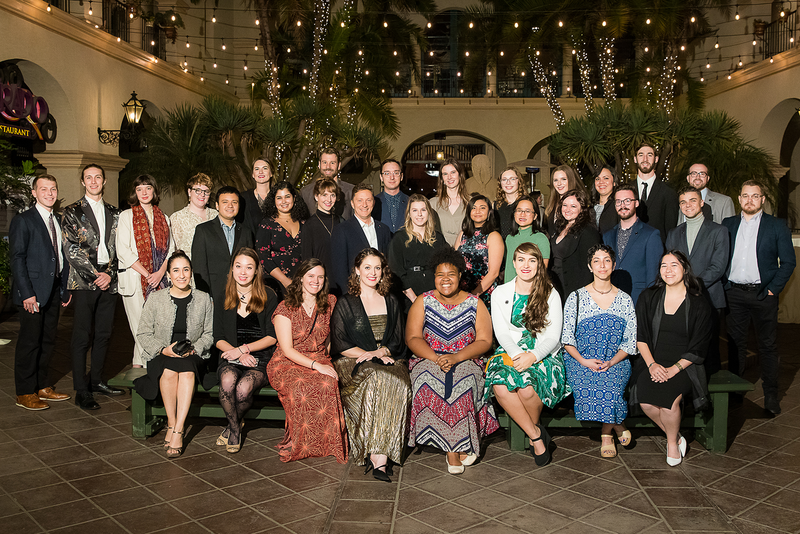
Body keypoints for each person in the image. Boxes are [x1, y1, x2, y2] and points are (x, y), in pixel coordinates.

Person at [406, 248, 499, 475]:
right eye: (440, 274)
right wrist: (436, 358)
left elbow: (485, 340)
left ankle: (456, 445)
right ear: (434, 277)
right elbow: (413, 337)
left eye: (451, 274)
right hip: (429, 356)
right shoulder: (423, 300)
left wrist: (456, 357)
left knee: (464, 384)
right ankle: (453, 449)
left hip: (467, 357)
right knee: (426, 381)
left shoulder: (475, 303)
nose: (445, 279)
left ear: (460, 276)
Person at [331, 249, 410, 482]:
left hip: (387, 358)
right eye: (367, 267)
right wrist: (371, 354)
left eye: (377, 268)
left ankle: (382, 451)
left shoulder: (392, 300)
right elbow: (340, 343)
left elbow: (397, 340)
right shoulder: (346, 303)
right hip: (353, 361)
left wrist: (382, 352)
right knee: (376, 378)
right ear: (357, 270)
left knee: (398, 381)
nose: (372, 273)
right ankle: (378, 457)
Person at [488, 243, 570, 466]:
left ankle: (529, 430)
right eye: (521, 260)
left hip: (543, 352)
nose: (526, 265)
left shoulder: (550, 293)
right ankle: (536, 436)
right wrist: (517, 355)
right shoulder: (500, 293)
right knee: (500, 384)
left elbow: (554, 335)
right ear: (513, 264)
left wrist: (533, 356)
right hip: (510, 350)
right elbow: (501, 332)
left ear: (539, 265)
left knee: (526, 388)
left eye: (532, 260)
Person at [632, 251, 713, 466]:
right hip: (651, 361)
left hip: (685, 365)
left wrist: (674, 369)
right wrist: (651, 365)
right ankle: (677, 436)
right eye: (664, 265)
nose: (668, 270)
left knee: (668, 403)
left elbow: (699, 346)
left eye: (674, 265)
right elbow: (640, 337)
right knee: (647, 402)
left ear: (685, 269)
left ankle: (670, 443)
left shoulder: (698, 303)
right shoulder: (648, 297)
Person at [723, 180, 796, 414]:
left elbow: (788, 262)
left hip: (763, 294)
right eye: (745, 196)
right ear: (739, 198)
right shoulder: (728, 224)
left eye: (755, 196)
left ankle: (771, 396)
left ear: (762, 199)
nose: (750, 200)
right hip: (733, 294)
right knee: (735, 346)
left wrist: (773, 288)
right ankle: (734, 393)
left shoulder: (776, 226)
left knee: (767, 346)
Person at [267, 259, 348, 463]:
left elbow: (329, 337)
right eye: (311, 276)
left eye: (320, 277)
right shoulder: (285, 308)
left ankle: (327, 444)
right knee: (302, 387)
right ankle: (301, 443)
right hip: (287, 361)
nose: (316, 281)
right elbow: (286, 349)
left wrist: (324, 360)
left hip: (318, 356)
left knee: (328, 383)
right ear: (301, 278)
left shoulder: (330, 302)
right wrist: (316, 365)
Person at [134, 251, 214, 458]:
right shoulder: (156, 299)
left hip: (193, 354)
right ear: (168, 274)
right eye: (176, 270)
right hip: (162, 353)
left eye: (185, 270)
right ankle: (171, 422)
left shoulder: (204, 299)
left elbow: (209, 334)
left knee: (187, 372)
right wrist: (163, 349)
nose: (181, 275)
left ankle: (178, 430)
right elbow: (143, 333)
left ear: (191, 273)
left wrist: (195, 348)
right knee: (169, 370)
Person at [562, 244, 637, 458]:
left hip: (616, 360)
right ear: (589, 266)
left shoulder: (625, 300)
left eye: (606, 260)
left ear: (613, 265)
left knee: (611, 385)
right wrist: (584, 361)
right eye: (596, 260)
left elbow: (630, 342)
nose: (601, 265)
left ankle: (606, 433)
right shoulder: (576, 298)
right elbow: (567, 338)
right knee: (590, 383)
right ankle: (618, 425)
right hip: (580, 360)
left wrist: (612, 362)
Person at [62, 164, 124, 410]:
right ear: (83, 181)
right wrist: (95, 274)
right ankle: (81, 389)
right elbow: (70, 249)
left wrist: (109, 274)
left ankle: (96, 381)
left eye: (98, 177)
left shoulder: (116, 212)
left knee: (104, 334)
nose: (94, 181)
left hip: (109, 281)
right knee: (81, 336)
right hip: (84, 281)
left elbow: (121, 247)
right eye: (89, 177)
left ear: (104, 181)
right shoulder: (72, 211)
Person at [9, 174, 71, 410]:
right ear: (34, 193)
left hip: (53, 290)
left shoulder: (58, 220)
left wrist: (64, 288)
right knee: (29, 342)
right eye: (43, 189)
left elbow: (61, 257)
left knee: (48, 340)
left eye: (53, 189)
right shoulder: (23, 220)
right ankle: (25, 392)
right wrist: (26, 293)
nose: (49, 193)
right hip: (32, 293)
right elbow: (17, 259)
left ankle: (43, 386)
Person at [213, 248, 278, 453]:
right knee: (227, 381)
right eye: (238, 266)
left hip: (259, 357)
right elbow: (218, 338)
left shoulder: (268, 295)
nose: (243, 272)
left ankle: (232, 425)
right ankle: (234, 430)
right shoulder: (223, 295)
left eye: (249, 267)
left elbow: (272, 336)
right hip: (231, 354)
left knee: (242, 390)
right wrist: (238, 353)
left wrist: (245, 350)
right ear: (232, 270)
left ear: (257, 270)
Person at [666, 186, 729, 374]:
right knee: (683, 348)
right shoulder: (673, 233)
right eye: (683, 202)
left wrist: (689, 285)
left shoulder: (719, 231)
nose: (688, 205)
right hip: (680, 299)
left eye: (693, 200)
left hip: (709, 298)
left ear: (702, 202)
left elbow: (718, 267)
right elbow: (671, 265)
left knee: (709, 350)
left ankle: (708, 397)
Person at [117, 175, 175, 370]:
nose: (144, 193)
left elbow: (171, 249)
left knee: (154, 328)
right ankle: (152, 370)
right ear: (135, 192)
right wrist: (147, 274)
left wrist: (159, 273)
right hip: (135, 281)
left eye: (148, 188)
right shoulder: (126, 216)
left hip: (159, 280)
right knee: (140, 328)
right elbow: (123, 250)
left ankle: (138, 368)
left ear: (154, 191)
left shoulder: (163, 217)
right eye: (139, 189)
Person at [192, 186, 254, 305]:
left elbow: (251, 263)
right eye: (225, 202)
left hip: (240, 294)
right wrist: (206, 296)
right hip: (214, 295)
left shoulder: (246, 232)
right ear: (217, 205)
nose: (230, 206)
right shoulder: (203, 230)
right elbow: (199, 267)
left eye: (234, 202)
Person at [603, 184, 663, 304]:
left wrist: (648, 303)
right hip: (611, 300)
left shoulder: (651, 234)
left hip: (638, 300)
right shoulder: (607, 236)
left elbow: (653, 275)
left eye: (627, 201)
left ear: (636, 203)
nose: (622, 205)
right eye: (618, 202)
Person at [387, 194, 448, 305]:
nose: (419, 214)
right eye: (415, 210)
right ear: (409, 214)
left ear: (428, 213)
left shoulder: (438, 238)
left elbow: (447, 265)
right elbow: (395, 271)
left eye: (423, 210)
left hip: (435, 295)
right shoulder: (399, 238)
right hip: (408, 297)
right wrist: (414, 298)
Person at [330, 184, 392, 293]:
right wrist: (351, 297)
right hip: (355, 294)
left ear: (373, 203)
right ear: (352, 204)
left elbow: (387, 264)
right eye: (360, 200)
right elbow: (339, 271)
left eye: (368, 200)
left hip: (380, 293)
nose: (364, 204)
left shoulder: (384, 230)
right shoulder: (342, 230)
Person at [548, 189, 602, 302]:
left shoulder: (588, 232)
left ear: (582, 209)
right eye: (565, 205)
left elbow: (589, 269)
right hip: (555, 287)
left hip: (573, 290)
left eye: (573, 206)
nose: (567, 209)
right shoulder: (559, 227)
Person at [255, 180, 309, 293]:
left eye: (287, 196)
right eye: (279, 198)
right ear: (274, 201)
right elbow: (263, 257)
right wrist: (285, 281)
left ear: (294, 198)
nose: (283, 201)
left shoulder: (305, 224)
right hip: (275, 285)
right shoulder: (267, 224)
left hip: (304, 284)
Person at [455, 194, 503, 311]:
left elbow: (494, 273)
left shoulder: (493, 236)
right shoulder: (463, 234)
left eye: (482, 208)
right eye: (474, 208)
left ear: (489, 213)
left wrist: (473, 295)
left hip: (483, 293)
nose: (477, 211)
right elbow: (454, 263)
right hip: (461, 291)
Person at [633, 143, 679, 245]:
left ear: (656, 159)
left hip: (657, 252)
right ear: (635, 159)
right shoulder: (626, 191)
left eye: (649, 155)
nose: (645, 159)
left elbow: (671, 230)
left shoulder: (668, 192)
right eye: (641, 155)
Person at [169, 173, 218, 259]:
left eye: (206, 191)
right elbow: (172, 250)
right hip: (188, 269)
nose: (202, 195)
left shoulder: (216, 215)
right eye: (198, 190)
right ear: (189, 192)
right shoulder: (177, 218)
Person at [503, 195, 550, 282]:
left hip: (530, 289)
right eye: (519, 210)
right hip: (509, 289)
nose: (522, 214)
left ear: (535, 216)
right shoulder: (509, 238)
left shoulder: (541, 238)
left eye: (527, 211)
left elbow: (542, 271)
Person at [301, 178, 341, 278]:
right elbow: (307, 260)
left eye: (333, 195)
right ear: (316, 197)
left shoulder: (340, 221)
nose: (329, 200)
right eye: (324, 195)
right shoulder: (309, 225)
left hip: (340, 279)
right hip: (319, 280)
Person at [301, 147, 354, 220]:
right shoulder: (306, 192)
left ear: (338, 166)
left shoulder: (351, 191)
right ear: (319, 164)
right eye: (324, 162)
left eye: (332, 163)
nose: (328, 167)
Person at [430, 157, 470, 246]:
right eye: (445, 174)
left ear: (460, 175)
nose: (449, 177)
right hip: (441, 253)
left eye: (453, 172)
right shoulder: (432, 204)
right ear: (442, 178)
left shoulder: (470, 202)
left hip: (464, 252)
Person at [544, 165, 586, 236]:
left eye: (563, 179)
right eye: (556, 180)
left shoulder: (578, 202)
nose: (559, 183)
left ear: (570, 180)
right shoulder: (552, 204)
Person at [374, 158, 409, 233]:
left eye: (396, 173)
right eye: (387, 173)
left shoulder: (410, 202)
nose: (392, 177)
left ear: (401, 176)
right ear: (381, 177)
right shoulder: (373, 202)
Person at [239, 159, 273, 236]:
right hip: (251, 246)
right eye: (257, 169)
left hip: (277, 246)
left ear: (271, 173)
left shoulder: (280, 198)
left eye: (265, 168)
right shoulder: (243, 198)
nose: (261, 172)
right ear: (253, 174)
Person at [495, 165, 530, 239]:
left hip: (520, 246)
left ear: (519, 181)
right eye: (504, 179)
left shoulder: (527, 203)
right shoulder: (496, 205)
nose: (508, 182)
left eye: (512, 179)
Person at [592, 166, 620, 234]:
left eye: (606, 178)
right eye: (598, 179)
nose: (601, 182)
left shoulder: (618, 206)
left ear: (614, 182)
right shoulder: (590, 207)